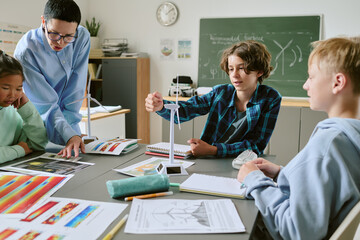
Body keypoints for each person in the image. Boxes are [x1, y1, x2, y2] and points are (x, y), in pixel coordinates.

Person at [237, 37, 360, 239]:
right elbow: (333, 189)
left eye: (311, 77)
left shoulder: (328, 145)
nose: (305, 85)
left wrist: (254, 179)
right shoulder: (349, 138)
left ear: (338, 82)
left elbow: (297, 231)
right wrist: (283, 174)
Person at [145, 40, 282, 157]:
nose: (234, 75)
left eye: (241, 68)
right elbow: (187, 109)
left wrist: (213, 150)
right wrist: (162, 106)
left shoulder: (270, 99)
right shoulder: (221, 93)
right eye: (231, 69)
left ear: (259, 71)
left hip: (241, 164)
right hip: (209, 160)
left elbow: (256, 146)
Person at [14, 0, 90, 158]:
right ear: (43, 21)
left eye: (69, 36)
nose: (60, 42)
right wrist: (68, 134)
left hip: (70, 125)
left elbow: (75, 90)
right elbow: (45, 106)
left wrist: (72, 134)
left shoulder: (82, 37)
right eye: (54, 34)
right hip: (40, 128)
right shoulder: (26, 51)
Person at [0, 50, 48, 163]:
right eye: (6, 88)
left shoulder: (14, 111)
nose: (12, 95)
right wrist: (19, 150)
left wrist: (26, 108)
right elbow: (25, 148)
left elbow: (38, 144)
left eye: (18, 89)